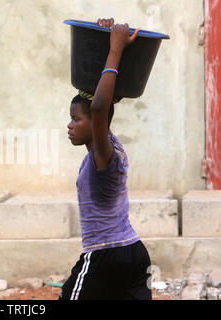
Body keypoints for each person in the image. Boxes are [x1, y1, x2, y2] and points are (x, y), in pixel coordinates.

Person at [59, 18, 152, 300]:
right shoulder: (110, 147)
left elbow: (99, 106)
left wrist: (114, 49)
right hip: (134, 254)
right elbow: (105, 102)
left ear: (96, 123)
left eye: (76, 119)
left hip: (104, 255)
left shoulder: (104, 156)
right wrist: (104, 42)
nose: (70, 125)